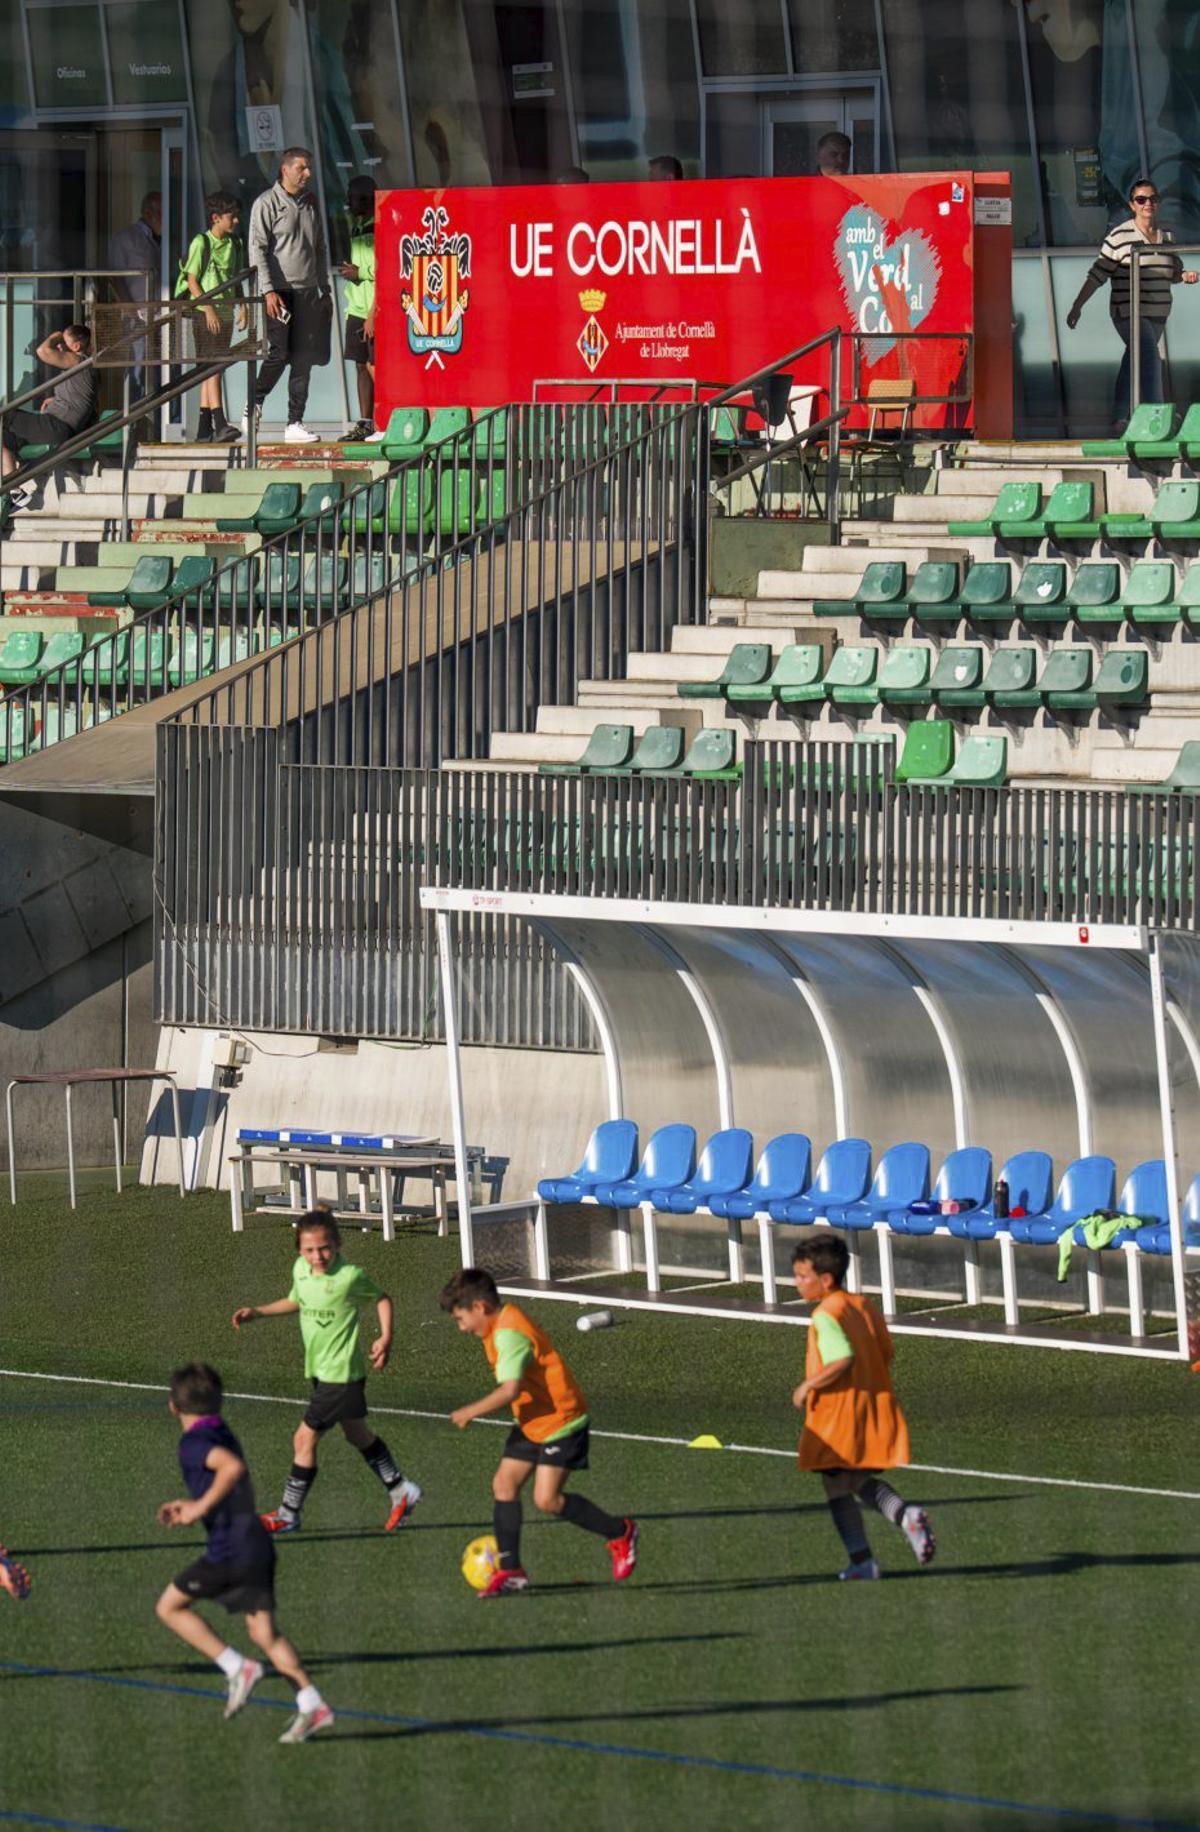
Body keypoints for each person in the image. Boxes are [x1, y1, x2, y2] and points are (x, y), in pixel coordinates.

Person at [155, 1361, 333, 1742]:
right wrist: (192, 1504)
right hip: (256, 1543)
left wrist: (198, 1508)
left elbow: (231, 1468)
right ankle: (312, 1704)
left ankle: (237, 1667)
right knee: (264, 1633)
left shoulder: (193, 1443)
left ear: (173, 1406)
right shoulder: (221, 1429)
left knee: (169, 1607)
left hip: (231, 1548)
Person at [440, 1267, 638, 1599]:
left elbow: (510, 1390)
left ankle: (620, 1532)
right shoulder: (502, 1321)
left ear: (479, 1307)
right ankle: (511, 1571)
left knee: (547, 1500)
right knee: (504, 1484)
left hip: (561, 1420)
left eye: (461, 1319)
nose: (462, 1328)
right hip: (533, 1420)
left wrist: (469, 1411)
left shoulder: (508, 1334)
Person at [232, 1210, 421, 1534]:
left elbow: (382, 1298)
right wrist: (258, 1312)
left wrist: (386, 1337)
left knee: (303, 1439)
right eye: (309, 1250)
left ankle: (288, 1514)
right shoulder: (300, 1270)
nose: (317, 1256)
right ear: (299, 1250)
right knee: (356, 1433)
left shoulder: (349, 1276)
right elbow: (297, 1300)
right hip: (320, 1371)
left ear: (337, 1244)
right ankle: (401, 1489)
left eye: (324, 1248)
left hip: (341, 1375)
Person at [791, 1234, 935, 1581]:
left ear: (826, 1279)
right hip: (873, 1403)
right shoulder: (863, 1305)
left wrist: (808, 1386)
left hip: (837, 1415)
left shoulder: (825, 1314)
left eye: (802, 1276)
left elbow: (841, 1359)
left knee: (839, 1484)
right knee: (848, 1481)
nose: (796, 1283)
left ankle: (889, 1532)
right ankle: (875, 1549)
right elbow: (886, 1351)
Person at [1067, 177, 1199, 424]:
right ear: (1132, 205)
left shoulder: (1167, 236)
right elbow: (1097, 275)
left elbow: (1173, 272)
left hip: (1158, 313)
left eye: (1153, 198)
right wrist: (1077, 305)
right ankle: (1157, 417)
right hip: (1128, 312)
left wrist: (1185, 276)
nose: (1147, 203)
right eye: (1141, 199)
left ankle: (1118, 418)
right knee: (1150, 357)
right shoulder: (1119, 237)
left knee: (1134, 362)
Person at [244, 147, 332, 443]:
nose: (307, 173)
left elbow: (319, 247)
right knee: (280, 353)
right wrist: (268, 290)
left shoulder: (310, 202)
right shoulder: (266, 203)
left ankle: (295, 422)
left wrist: (325, 287)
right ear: (285, 170)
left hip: (308, 291)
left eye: (308, 168)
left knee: (303, 358)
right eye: (301, 168)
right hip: (280, 293)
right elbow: (257, 249)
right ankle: (254, 400)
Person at [1, 324, 98, 511]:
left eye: (63, 343)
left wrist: (56, 335)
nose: (58, 347)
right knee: (5, 439)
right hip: (57, 424)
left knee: (7, 415)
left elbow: (42, 351)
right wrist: (55, 400)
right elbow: (80, 398)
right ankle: (14, 491)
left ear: (76, 347)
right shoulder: (82, 367)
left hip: (58, 426)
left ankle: (13, 489)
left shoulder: (79, 360)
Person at [177, 192, 246, 444]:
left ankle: (204, 429)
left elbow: (235, 277)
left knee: (210, 368)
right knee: (213, 367)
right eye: (232, 216)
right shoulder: (201, 242)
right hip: (205, 314)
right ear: (216, 218)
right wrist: (207, 309)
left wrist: (242, 306)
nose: (236, 221)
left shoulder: (235, 244)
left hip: (225, 312)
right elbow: (192, 280)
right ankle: (220, 422)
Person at [108, 192, 161, 400]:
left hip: (164, 314)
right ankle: (137, 414)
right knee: (139, 368)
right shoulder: (126, 239)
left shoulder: (164, 239)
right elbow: (115, 278)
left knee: (164, 369)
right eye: (161, 213)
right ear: (148, 213)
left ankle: (163, 414)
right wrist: (130, 311)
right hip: (138, 316)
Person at [337, 175, 377, 442]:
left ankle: (384, 420)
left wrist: (359, 272)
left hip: (374, 309)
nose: (349, 203)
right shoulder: (357, 228)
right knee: (360, 365)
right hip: (356, 308)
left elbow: (387, 269)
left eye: (352, 197)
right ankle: (365, 422)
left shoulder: (378, 228)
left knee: (375, 365)